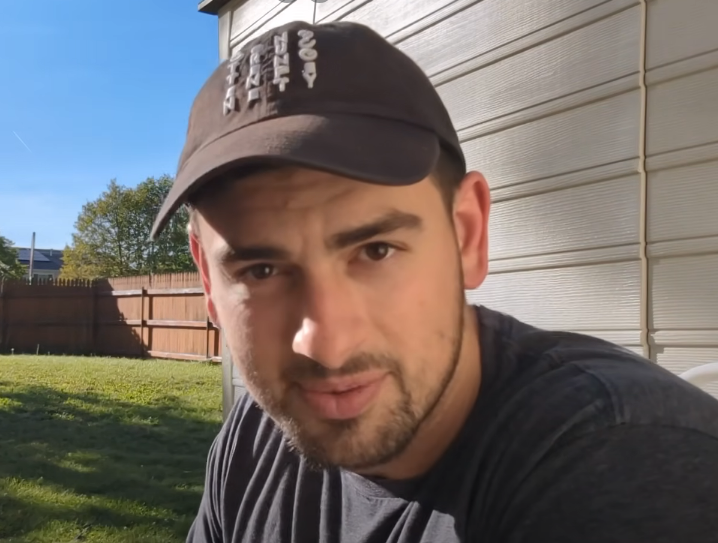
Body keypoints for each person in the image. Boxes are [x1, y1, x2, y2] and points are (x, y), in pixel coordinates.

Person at [149, 19, 718, 543]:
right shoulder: (255, 438)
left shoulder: (623, 462)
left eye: (376, 251)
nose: (325, 344)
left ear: (467, 234)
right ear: (208, 281)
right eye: (262, 271)